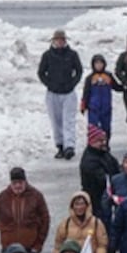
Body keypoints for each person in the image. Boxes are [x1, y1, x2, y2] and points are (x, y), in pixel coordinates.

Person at [38, 29, 84, 160]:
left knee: (68, 119)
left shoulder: (72, 54)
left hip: (68, 92)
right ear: (53, 41)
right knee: (56, 120)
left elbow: (79, 70)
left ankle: (69, 146)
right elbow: (41, 72)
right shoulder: (47, 55)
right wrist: (49, 84)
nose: (59, 42)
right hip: (53, 92)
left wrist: (72, 83)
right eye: (57, 40)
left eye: (61, 40)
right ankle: (60, 145)